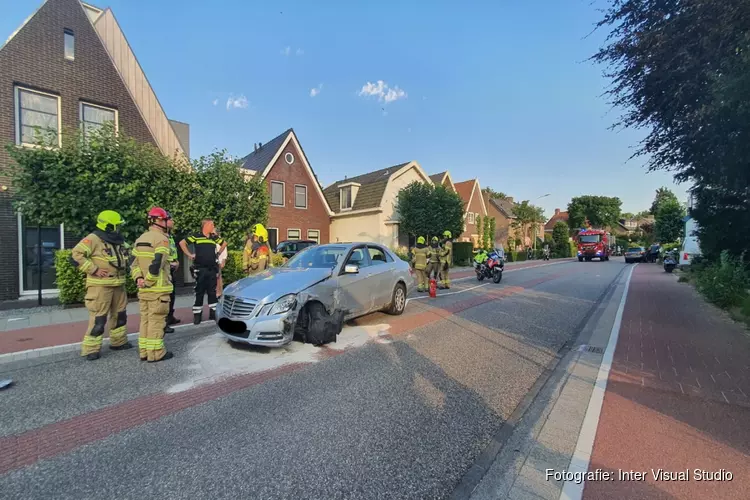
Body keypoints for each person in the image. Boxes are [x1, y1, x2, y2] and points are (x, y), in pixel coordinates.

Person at [71, 210, 132, 361]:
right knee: (98, 318)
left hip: (118, 283)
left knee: (120, 315)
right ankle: (91, 349)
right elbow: (75, 255)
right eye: (116, 226)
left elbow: (129, 255)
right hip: (100, 286)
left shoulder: (118, 240)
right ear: (108, 226)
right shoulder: (93, 239)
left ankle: (118, 342)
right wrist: (94, 269)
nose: (119, 229)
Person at [131, 207, 174, 362]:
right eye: (165, 219)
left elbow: (133, 264)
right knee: (156, 321)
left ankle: (144, 351)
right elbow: (158, 263)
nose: (168, 222)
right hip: (158, 289)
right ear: (158, 221)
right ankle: (156, 353)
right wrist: (148, 281)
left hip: (143, 290)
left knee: (145, 320)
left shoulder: (140, 238)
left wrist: (139, 280)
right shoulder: (162, 239)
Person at [180, 219, 226, 324]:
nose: (213, 227)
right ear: (206, 225)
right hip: (200, 269)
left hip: (212, 268)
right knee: (199, 292)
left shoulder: (213, 237)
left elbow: (224, 243)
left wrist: (217, 254)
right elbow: (182, 243)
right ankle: (197, 315)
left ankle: (213, 313)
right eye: (212, 225)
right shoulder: (196, 236)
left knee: (212, 292)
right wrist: (189, 254)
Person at [164, 213, 179, 334]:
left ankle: (170, 317)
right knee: (167, 296)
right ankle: (164, 322)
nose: (173, 221)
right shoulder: (161, 236)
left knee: (172, 294)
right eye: (171, 219)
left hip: (172, 268)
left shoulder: (170, 235)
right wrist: (170, 263)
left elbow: (172, 251)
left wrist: (176, 261)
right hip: (166, 269)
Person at [216, 230, 228, 298]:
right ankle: (218, 292)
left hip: (219, 261)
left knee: (218, 277)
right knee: (217, 277)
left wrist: (223, 260)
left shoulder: (220, 241)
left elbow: (224, 251)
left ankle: (219, 292)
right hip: (215, 261)